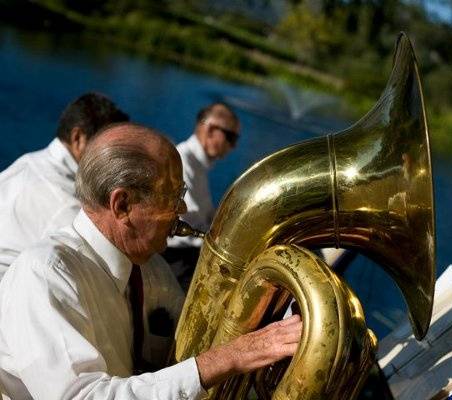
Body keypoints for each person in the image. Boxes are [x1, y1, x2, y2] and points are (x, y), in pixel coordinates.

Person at [0, 123, 301, 399]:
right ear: (123, 205)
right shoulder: (45, 274)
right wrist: (229, 358)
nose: (182, 207)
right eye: (173, 196)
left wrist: (275, 311)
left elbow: (198, 338)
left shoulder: (151, 268)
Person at [0, 92, 129, 280]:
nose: (116, 159)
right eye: (110, 148)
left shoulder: (28, 163)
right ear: (78, 138)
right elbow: (103, 268)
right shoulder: (67, 203)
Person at [164, 102, 240, 289]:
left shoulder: (197, 166)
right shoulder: (183, 161)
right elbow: (191, 224)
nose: (232, 147)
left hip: (187, 254)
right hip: (177, 258)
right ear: (211, 130)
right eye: (230, 137)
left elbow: (206, 217)